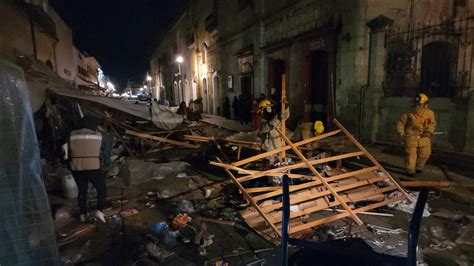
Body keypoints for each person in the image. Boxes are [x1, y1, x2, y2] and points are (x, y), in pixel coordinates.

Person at [67, 120, 107, 223]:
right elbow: (102, 149)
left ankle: (83, 214)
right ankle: (99, 211)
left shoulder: (71, 134)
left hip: (76, 166)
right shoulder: (98, 135)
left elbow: (68, 151)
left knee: (82, 191)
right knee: (101, 189)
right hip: (93, 166)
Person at [396, 93, 436, 177]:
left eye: (420, 104)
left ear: (425, 104)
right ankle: (410, 171)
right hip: (411, 137)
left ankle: (419, 167)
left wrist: (429, 131)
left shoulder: (430, 113)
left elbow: (432, 124)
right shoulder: (408, 113)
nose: (418, 106)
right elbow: (400, 123)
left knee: (425, 154)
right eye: (416, 104)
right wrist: (401, 133)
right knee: (411, 155)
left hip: (424, 137)